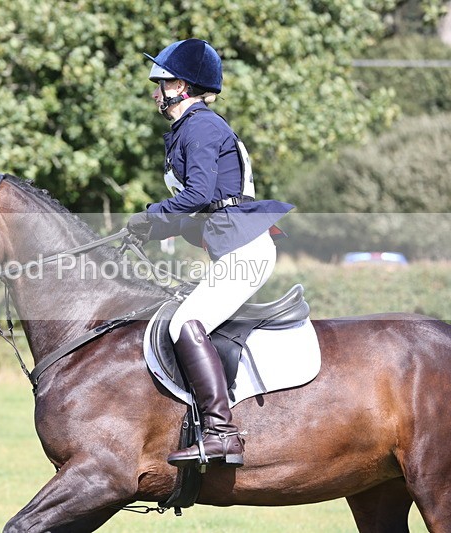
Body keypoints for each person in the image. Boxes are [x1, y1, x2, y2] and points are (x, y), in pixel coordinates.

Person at [126, 39, 294, 467]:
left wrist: (150, 215)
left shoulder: (200, 126)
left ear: (181, 85)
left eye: (160, 84)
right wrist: (146, 230)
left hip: (246, 251)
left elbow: (199, 194)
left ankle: (221, 434)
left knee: (186, 322)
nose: (155, 93)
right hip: (232, 249)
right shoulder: (188, 129)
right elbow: (203, 204)